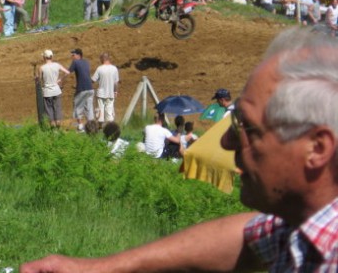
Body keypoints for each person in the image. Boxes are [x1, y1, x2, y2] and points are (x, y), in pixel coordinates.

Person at [21, 27, 338, 273]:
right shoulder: (301, 223)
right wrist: (97, 267)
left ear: (317, 148)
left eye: (248, 128)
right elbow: (245, 236)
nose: (227, 142)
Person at [39, 50, 70, 129]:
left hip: (47, 92)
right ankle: (58, 129)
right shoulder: (57, 65)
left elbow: (39, 80)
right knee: (57, 110)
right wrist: (60, 79)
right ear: (51, 57)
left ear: (44, 57)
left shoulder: (41, 68)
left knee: (50, 113)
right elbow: (67, 72)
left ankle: (53, 131)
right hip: (56, 91)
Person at [68, 48, 94, 132]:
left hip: (82, 89)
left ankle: (80, 127)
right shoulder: (86, 62)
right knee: (89, 108)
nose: (72, 56)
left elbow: (68, 72)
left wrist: (60, 80)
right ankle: (91, 127)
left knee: (77, 106)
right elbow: (84, 74)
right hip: (90, 88)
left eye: (73, 55)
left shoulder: (75, 62)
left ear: (79, 55)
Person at [91, 53, 119, 127]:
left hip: (101, 93)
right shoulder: (114, 68)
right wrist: (115, 91)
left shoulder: (100, 68)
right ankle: (111, 128)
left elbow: (93, 80)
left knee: (100, 111)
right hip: (110, 93)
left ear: (103, 59)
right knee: (109, 112)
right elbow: (116, 83)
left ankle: (100, 127)